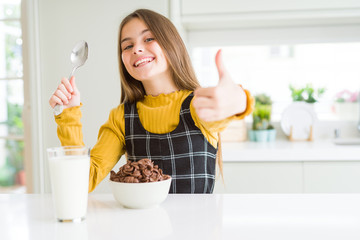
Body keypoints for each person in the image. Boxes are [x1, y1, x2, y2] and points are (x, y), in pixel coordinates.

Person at [49, 9, 254, 194]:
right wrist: (68, 115)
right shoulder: (121, 117)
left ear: (171, 43)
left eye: (148, 39)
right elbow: (84, 180)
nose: (136, 49)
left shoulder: (196, 106)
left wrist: (240, 101)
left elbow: (232, 105)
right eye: (127, 46)